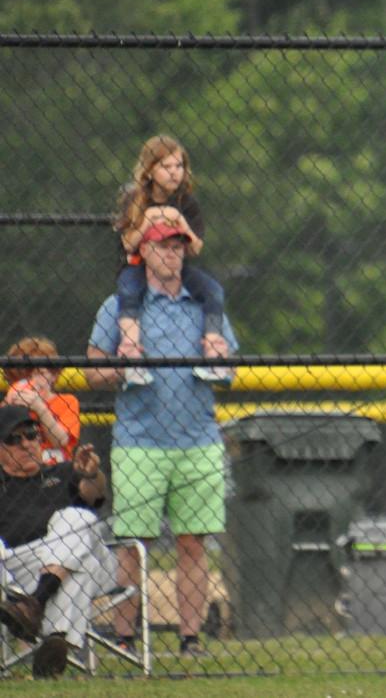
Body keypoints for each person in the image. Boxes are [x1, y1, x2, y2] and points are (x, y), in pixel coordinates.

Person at [85, 218, 239, 657]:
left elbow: (230, 372)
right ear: (144, 253)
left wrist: (222, 361)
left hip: (200, 440)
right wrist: (120, 365)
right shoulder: (118, 306)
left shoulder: (206, 305)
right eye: (162, 246)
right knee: (134, 545)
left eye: (178, 246)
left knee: (194, 542)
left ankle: (190, 639)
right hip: (139, 442)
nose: (171, 253)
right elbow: (92, 372)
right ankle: (126, 639)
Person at [0, 405, 110, 679]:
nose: (26, 444)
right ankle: (55, 642)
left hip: (83, 550)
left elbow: (94, 496)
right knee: (82, 568)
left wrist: (91, 474)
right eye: (14, 439)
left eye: (31, 435)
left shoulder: (62, 472)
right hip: (20, 568)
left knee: (75, 517)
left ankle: (35, 603)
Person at [113, 135, 228, 386]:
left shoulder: (186, 202)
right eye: (166, 167)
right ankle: (132, 360)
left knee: (214, 291)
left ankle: (214, 357)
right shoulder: (136, 199)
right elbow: (128, 244)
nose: (174, 173)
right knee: (129, 293)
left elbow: (195, 247)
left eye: (179, 166)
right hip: (137, 266)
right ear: (150, 170)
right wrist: (150, 219)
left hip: (175, 267)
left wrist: (180, 220)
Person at [4, 336, 80, 464]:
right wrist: (9, 407)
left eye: (40, 373)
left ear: (54, 375)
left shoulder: (67, 401)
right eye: (26, 376)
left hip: (55, 469)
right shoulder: (9, 402)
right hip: (19, 469)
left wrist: (39, 407)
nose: (33, 381)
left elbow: (61, 441)